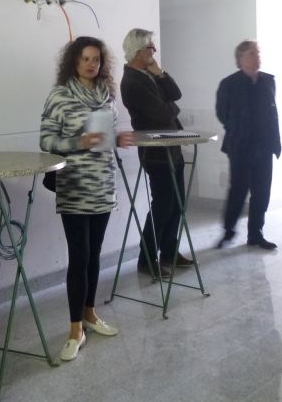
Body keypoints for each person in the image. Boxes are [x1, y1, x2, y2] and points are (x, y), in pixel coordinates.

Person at [39, 36, 133, 362]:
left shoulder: (106, 94)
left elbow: (105, 137)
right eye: (85, 59)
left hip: (103, 184)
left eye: (96, 59)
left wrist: (117, 138)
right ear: (74, 61)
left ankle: (90, 314)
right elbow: (46, 140)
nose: (91, 64)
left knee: (94, 255)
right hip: (75, 186)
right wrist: (79, 142)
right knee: (79, 257)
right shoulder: (60, 95)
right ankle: (74, 329)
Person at [119, 28, 193, 278]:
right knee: (163, 206)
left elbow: (176, 95)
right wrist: (172, 107)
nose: (154, 50)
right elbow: (162, 113)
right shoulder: (132, 81)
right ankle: (146, 258)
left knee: (177, 204)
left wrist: (160, 74)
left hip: (172, 147)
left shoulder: (149, 75)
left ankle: (169, 252)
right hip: (156, 152)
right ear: (138, 51)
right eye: (150, 47)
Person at [215, 40, 281, 250]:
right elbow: (222, 113)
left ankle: (256, 233)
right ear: (241, 58)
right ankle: (229, 230)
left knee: (262, 192)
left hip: (265, 145)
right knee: (238, 189)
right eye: (252, 53)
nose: (257, 57)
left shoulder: (268, 81)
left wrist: (275, 142)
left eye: (258, 53)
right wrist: (238, 129)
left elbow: (272, 112)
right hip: (240, 146)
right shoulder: (229, 83)